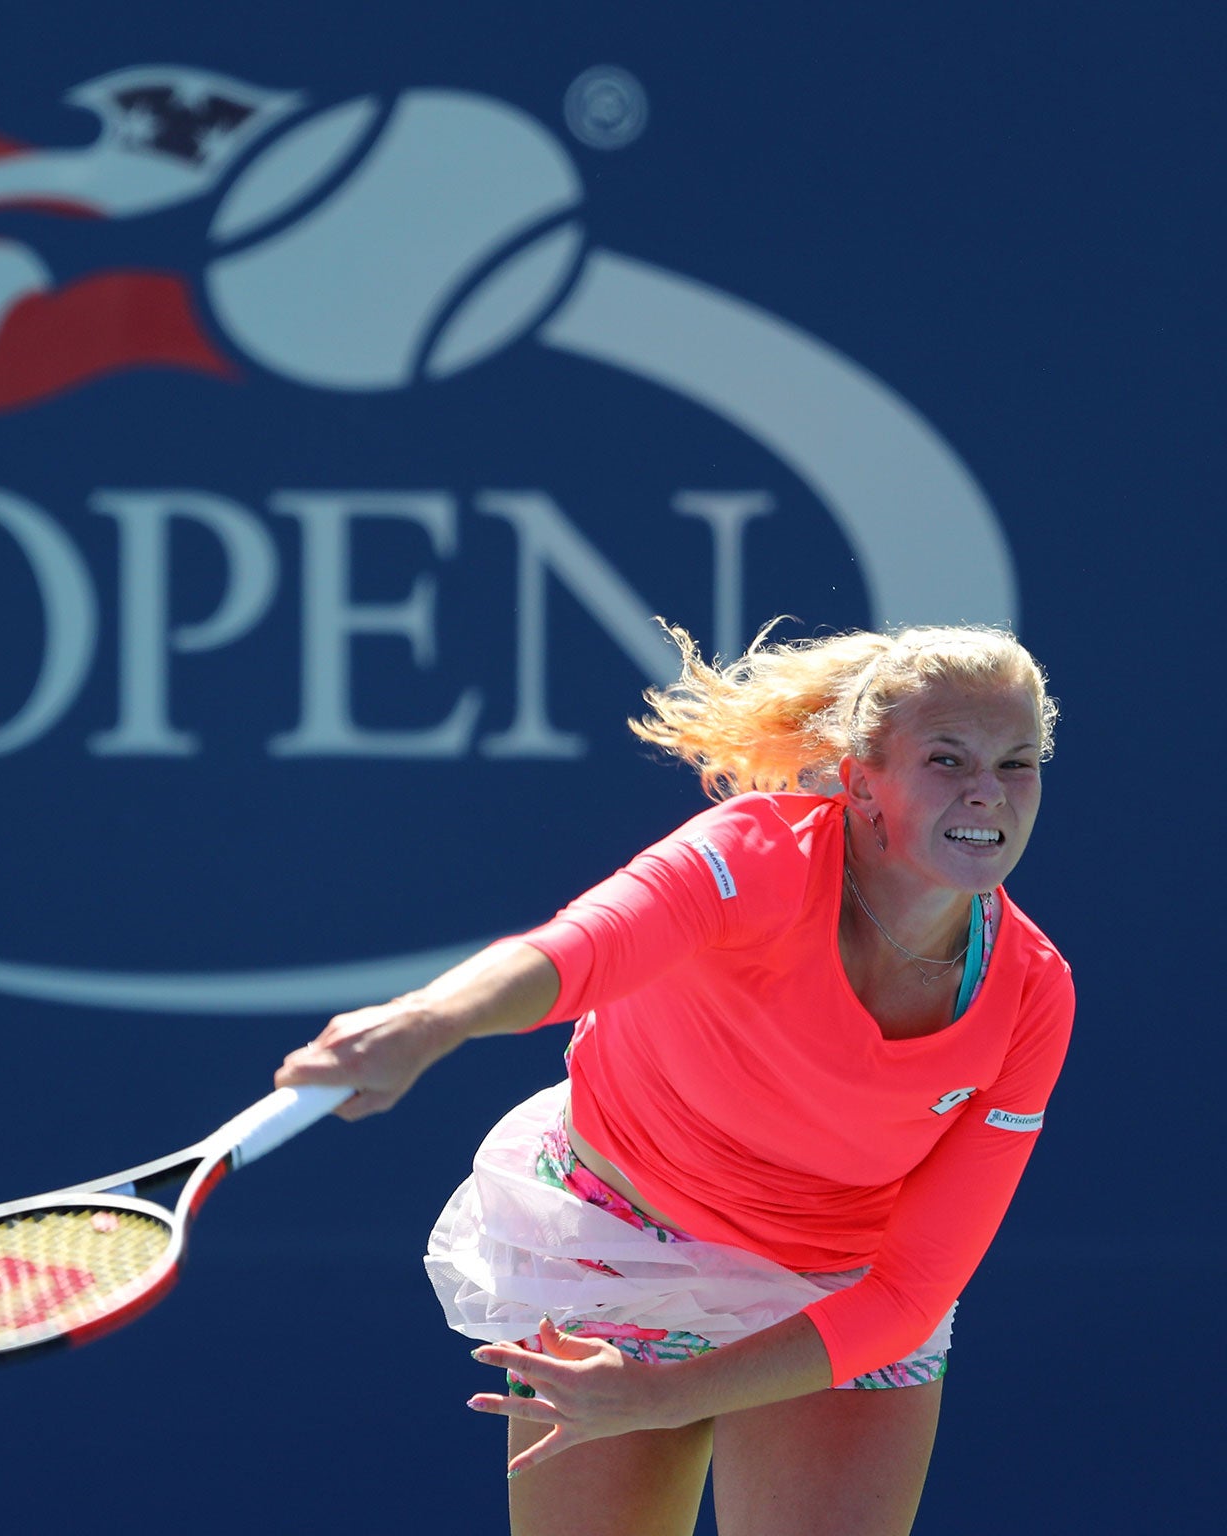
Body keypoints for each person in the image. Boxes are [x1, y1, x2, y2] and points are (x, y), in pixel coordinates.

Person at [275, 621, 1072, 1536]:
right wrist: (428, 1022)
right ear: (860, 785)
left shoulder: (1033, 993)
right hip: (621, 1241)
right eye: (947, 759)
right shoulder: (749, 859)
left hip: (845, 1293)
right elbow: (580, 949)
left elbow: (908, 1295)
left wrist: (667, 1393)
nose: (988, 793)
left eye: (1018, 763)